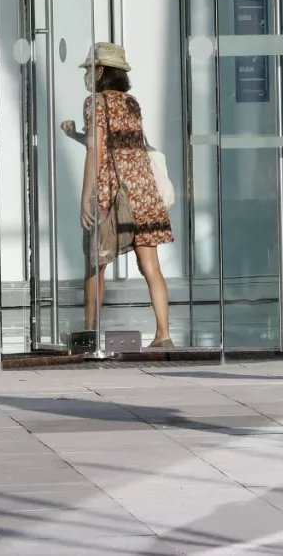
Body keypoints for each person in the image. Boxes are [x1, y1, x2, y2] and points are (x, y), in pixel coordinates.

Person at [65, 43, 174, 348]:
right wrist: (75, 133)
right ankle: (164, 335)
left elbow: (96, 149)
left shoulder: (95, 102)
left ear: (100, 71)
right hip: (142, 191)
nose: (87, 75)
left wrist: (86, 195)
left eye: (89, 69)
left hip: (112, 193)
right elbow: (116, 144)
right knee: (151, 267)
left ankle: (89, 334)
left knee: (95, 264)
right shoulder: (131, 103)